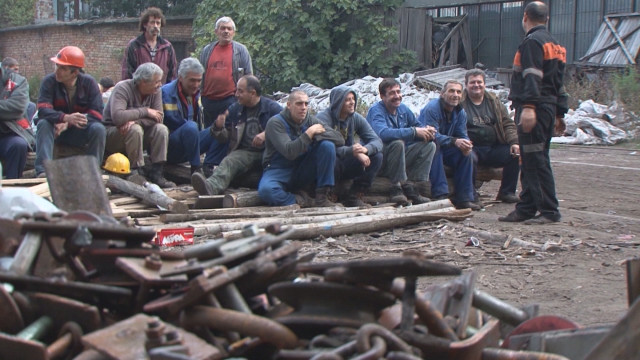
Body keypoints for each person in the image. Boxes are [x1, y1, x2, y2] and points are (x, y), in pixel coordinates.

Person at [499, 1, 567, 224]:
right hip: (547, 108)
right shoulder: (555, 44)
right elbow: (558, 83)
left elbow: (532, 76)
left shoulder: (532, 42)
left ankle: (549, 210)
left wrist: (528, 107)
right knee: (531, 159)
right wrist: (559, 113)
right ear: (546, 19)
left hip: (534, 108)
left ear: (525, 16)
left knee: (535, 160)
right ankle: (526, 208)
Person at [191, 75, 282, 195]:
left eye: (240, 91)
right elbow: (224, 138)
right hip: (246, 152)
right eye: (236, 90)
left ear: (253, 93)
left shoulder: (272, 108)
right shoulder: (236, 109)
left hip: (269, 153)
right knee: (230, 161)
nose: (236, 94)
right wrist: (218, 127)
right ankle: (210, 187)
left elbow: (285, 126)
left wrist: (266, 134)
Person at [258, 90, 344, 207]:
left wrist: (316, 136)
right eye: (299, 104)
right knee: (266, 191)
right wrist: (309, 134)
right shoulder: (275, 123)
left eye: (306, 104)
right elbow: (289, 152)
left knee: (327, 146)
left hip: (302, 168)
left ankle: (322, 197)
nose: (303, 108)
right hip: (279, 169)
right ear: (289, 105)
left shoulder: (310, 120)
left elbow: (339, 139)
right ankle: (302, 200)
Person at [34, 46, 106, 177]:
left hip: (77, 132)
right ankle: (43, 170)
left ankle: (93, 171)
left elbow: (97, 114)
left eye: (63, 68)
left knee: (98, 129)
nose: (57, 71)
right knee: (43, 124)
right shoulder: (49, 82)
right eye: (57, 66)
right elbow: (43, 110)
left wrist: (69, 123)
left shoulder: (89, 84)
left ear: (75, 73)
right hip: (55, 131)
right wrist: (64, 118)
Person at [103, 62, 175, 188]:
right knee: (135, 130)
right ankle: (136, 171)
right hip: (113, 135)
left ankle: (157, 171)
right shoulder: (122, 88)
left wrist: (135, 120)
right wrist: (145, 111)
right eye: (156, 81)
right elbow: (118, 117)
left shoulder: (155, 91)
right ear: (143, 82)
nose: (160, 85)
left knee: (161, 129)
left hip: (137, 133)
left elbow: (159, 117)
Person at [198, 16, 253, 176]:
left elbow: (248, 76)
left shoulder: (240, 50)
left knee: (225, 132)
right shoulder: (207, 50)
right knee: (210, 132)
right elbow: (201, 72)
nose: (226, 31)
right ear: (216, 31)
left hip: (230, 99)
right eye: (222, 28)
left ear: (234, 32)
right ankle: (206, 165)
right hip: (208, 100)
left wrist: (245, 97)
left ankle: (213, 165)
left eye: (229, 29)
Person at [366, 78, 435, 205]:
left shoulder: (403, 109)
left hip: (399, 158)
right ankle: (395, 187)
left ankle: (411, 186)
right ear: (382, 96)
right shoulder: (376, 111)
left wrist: (426, 130)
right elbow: (383, 134)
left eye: (398, 92)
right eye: (392, 93)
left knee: (429, 145)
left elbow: (416, 125)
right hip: (380, 159)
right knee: (397, 143)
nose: (397, 96)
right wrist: (414, 131)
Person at [317, 85, 383, 207]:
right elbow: (322, 147)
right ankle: (326, 195)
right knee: (329, 149)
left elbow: (377, 141)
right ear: (338, 102)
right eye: (347, 99)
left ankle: (354, 195)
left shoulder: (355, 118)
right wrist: (351, 151)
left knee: (377, 156)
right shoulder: (323, 118)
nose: (352, 102)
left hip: (347, 161)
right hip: (327, 164)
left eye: (353, 98)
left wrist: (365, 150)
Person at [418, 80, 480, 210]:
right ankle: (440, 194)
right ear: (442, 94)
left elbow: (462, 133)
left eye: (458, 92)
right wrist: (454, 141)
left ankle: (465, 198)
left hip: (447, 149)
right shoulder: (432, 108)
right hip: (425, 148)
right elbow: (431, 135)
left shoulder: (460, 112)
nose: (455, 95)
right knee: (434, 145)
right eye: (451, 91)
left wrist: (466, 144)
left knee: (469, 155)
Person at [461, 69, 520, 204]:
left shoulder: (493, 101)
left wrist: (514, 142)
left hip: (492, 147)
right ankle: (470, 194)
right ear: (466, 84)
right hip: (471, 147)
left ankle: (507, 192)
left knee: (514, 154)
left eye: (479, 82)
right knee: (468, 157)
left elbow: (507, 123)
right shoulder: (460, 102)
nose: (476, 85)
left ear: (484, 84)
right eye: (472, 82)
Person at [162, 57, 207, 175]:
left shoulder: (197, 94)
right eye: (192, 80)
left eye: (199, 80)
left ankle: (210, 166)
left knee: (218, 131)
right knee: (191, 127)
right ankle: (196, 169)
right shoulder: (165, 93)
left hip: (192, 143)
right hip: (172, 146)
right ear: (181, 77)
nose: (196, 84)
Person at [121, 7, 177, 84]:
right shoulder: (134, 46)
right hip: (139, 92)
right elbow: (127, 74)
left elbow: (172, 73)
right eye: (152, 22)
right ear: (145, 24)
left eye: (158, 23)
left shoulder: (167, 47)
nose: (155, 26)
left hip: (161, 92)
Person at [0, 65, 33, 179]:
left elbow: (17, 107)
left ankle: (13, 187)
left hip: (9, 134)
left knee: (18, 145)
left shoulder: (18, 81)